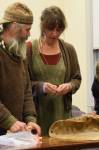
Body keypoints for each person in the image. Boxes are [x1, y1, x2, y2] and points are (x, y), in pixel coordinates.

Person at [27, 6, 81, 135]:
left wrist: (69, 86)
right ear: (42, 27)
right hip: (37, 116)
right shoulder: (29, 49)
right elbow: (23, 85)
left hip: (63, 115)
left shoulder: (68, 50)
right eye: (50, 29)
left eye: (59, 29)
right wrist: (42, 87)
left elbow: (77, 78)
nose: (55, 34)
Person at [0, 2, 41, 136]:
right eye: (27, 29)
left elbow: (27, 91)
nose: (29, 34)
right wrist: (9, 121)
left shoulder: (19, 52)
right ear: (14, 27)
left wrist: (30, 119)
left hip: (14, 135)